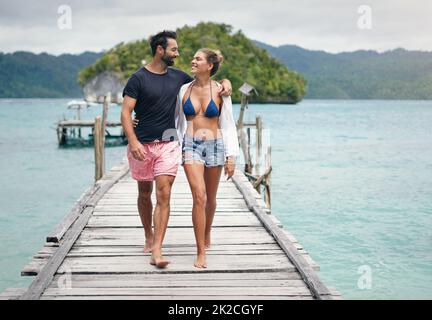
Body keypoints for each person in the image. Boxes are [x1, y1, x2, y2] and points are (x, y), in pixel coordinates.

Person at [121, 31, 232, 268]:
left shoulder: (186, 80)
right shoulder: (152, 81)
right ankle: (156, 239)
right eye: (175, 50)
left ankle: (179, 243)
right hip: (164, 144)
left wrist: (226, 83)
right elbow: (130, 111)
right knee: (155, 193)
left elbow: (224, 111)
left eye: (195, 58)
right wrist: (133, 134)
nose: (180, 55)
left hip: (192, 144)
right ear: (160, 50)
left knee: (188, 196)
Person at [175, 48, 240, 268]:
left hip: (216, 144)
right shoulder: (184, 89)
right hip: (191, 144)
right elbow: (176, 119)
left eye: (198, 58)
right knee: (199, 197)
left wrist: (232, 155)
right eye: (193, 57)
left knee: (210, 198)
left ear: (209, 65)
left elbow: (229, 124)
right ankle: (200, 250)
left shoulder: (221, 90)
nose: (193, 60)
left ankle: (207, 231)